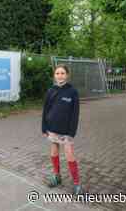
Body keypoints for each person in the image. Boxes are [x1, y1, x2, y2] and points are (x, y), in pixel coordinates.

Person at [42, 64, 82, 194]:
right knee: (54, 151)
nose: (60, 75)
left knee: (69, 154)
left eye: (62, 73)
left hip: (66, 131)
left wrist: (71, 133)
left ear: (67, 75)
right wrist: (44, 127)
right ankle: (57, 176)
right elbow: (45, 110)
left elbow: (75, 114)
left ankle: (76, 183)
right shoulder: (50, 91)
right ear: (54, 75)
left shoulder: (72, 92)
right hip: (52, 128)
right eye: (57, 73)